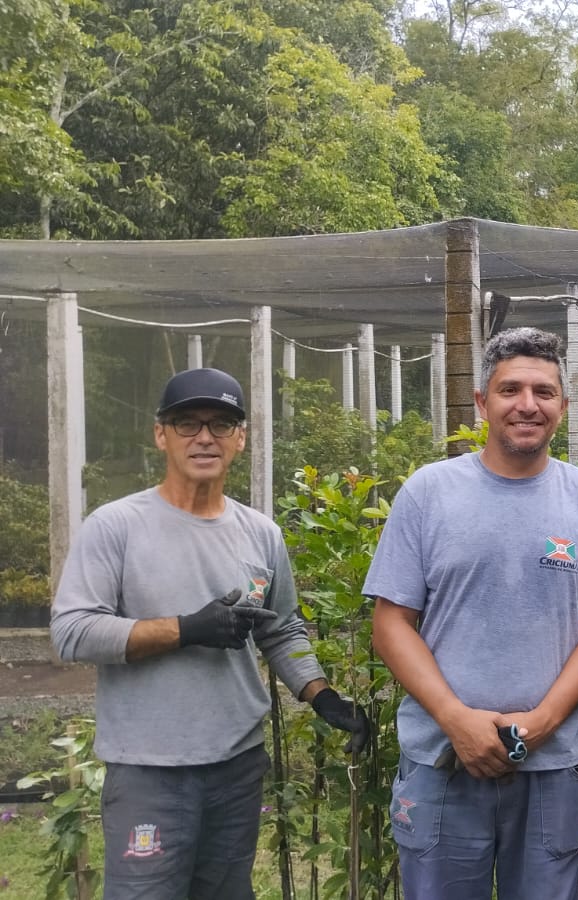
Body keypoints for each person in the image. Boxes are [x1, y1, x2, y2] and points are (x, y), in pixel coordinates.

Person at [51, 367, 370, 900]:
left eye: (221, 424)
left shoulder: (259, 533)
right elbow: (73, 632)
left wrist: (321, 695)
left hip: (236, 767)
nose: (204, 437)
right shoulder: (116, 526)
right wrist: (186, 629)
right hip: (150, 769)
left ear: (240, 438)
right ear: (161, 435)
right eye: (186, 423)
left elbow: (281, 626)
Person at [366, 326, 578, 900]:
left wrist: (543, 720)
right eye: (510, 389)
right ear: (482, 402)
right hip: (442, 760)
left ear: (563, 406)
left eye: (543, 392)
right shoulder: (428, 493)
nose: (527, 405)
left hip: (550, 764)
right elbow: (392, 622)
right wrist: (456, 718)